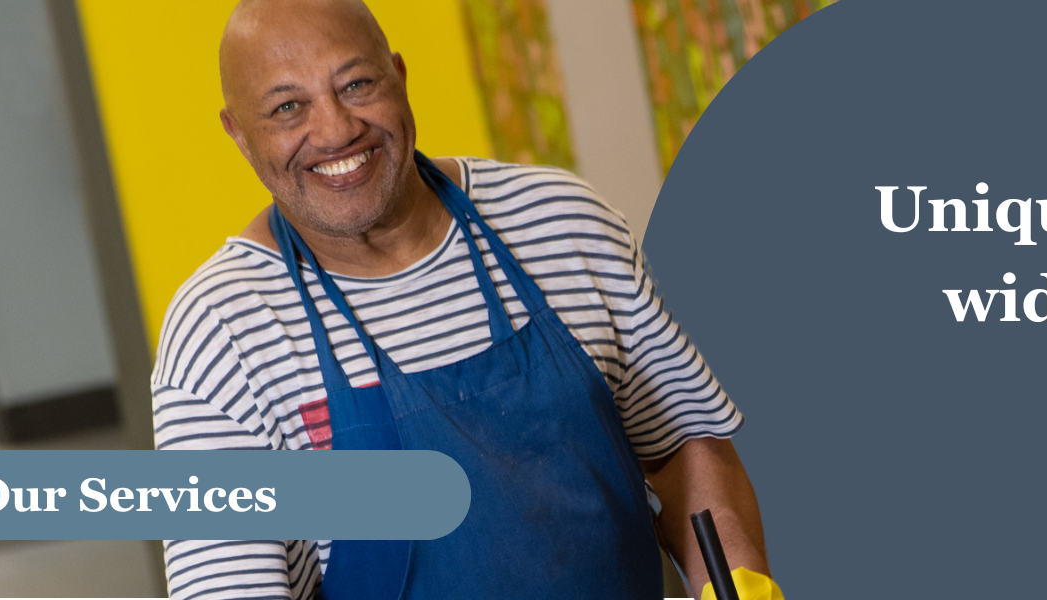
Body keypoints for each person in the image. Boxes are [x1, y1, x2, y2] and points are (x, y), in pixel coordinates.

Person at [150, 0, 775, 597]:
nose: (336, 129)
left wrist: (742, 587)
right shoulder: (222, 334)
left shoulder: (563, 225)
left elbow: (683, 454)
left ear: (398, 75)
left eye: (357, 85)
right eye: (287, 107)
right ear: (238, 133)